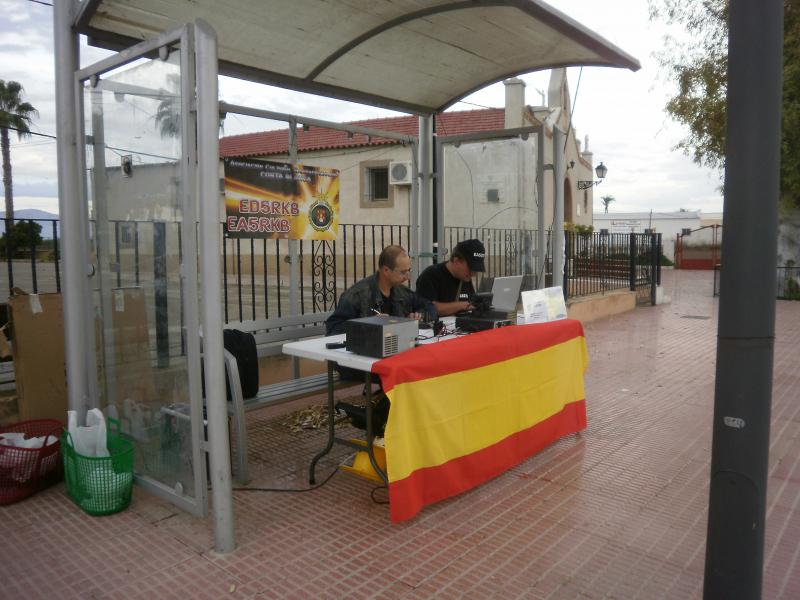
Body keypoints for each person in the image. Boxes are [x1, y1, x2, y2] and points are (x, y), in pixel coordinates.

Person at [325, 244, 437, 336]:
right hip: (365, 350)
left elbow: (430, 308)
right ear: (386, 270)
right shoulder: (356, 295)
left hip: (395, 346)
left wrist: (418, 315)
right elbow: (333, 328)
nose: (408, 277)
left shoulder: (402, 292)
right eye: (403, 272)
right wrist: (369, 323)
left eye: (409, 270)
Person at [415, 238, 486, 316]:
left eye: (475, 271)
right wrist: (462, 305)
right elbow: (426, 307)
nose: (473, 274)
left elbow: (471, 303)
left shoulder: (465, 277)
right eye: (471, 269)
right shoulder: (430, 275)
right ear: (456, 261)